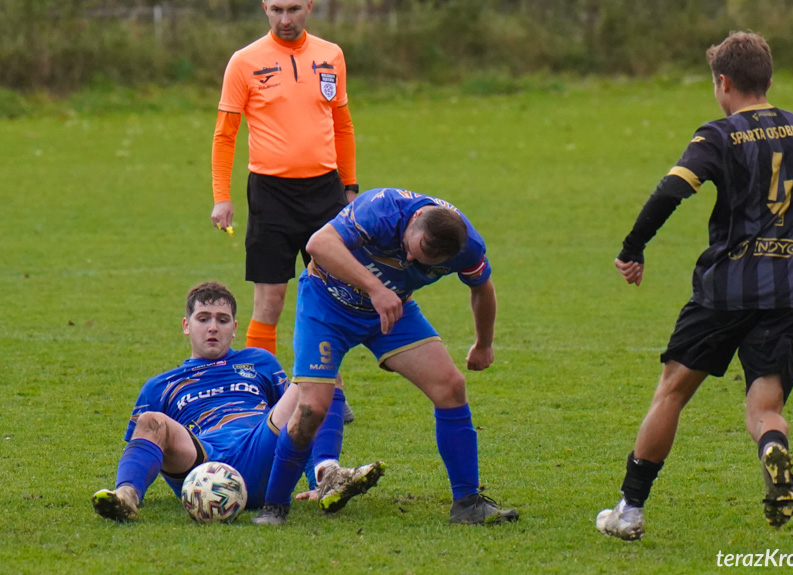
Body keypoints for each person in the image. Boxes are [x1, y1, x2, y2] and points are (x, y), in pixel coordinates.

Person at [596, 31, 793, 541]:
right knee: (765, 407)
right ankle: (771, 448)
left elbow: (671, 191)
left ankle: (629, 510)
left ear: (722, 82)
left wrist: (633, 249)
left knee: (672, 392)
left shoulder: (719, 135)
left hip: (726, 290)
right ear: (768, 78)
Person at [249, 188, 519, 526]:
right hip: (327, 305)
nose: (411, 260)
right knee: (311, 408)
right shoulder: (382, 208)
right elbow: (319, 244)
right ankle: (275, 506)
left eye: (425, 262)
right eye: (412, 249)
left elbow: (483, 287)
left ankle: (468, 503)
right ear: (416, 218)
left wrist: (484, 342)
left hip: (391, 312)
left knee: (450, 387)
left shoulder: (468, 246)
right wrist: (377, 289)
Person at [91, 282, 383, 522]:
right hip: (203, 460)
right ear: (186, 325)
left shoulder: (259, 361)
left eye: (222, 319)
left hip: (261, 448)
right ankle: (126, 497)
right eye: (203, 318)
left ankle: (325, 479)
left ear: (234, 327)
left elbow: (302, 421)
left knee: (319, 375)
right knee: (149, 421)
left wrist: (309, 479)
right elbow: (141, 445)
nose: (213, 327)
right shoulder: (160, 385)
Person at [210, 0, 357, 407]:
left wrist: (350, 187)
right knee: (270, 298)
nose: (285, 19)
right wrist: (222, 198)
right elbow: (225, 135)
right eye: (276, 9)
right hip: (270, 194)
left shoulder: (331, 55)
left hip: (325, 192)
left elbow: (342, 125)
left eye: (294, 8)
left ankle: (331, 393)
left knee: (328, 294)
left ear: (310, 6)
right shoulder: (245, 62)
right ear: (264, 8)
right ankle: (268, 394)